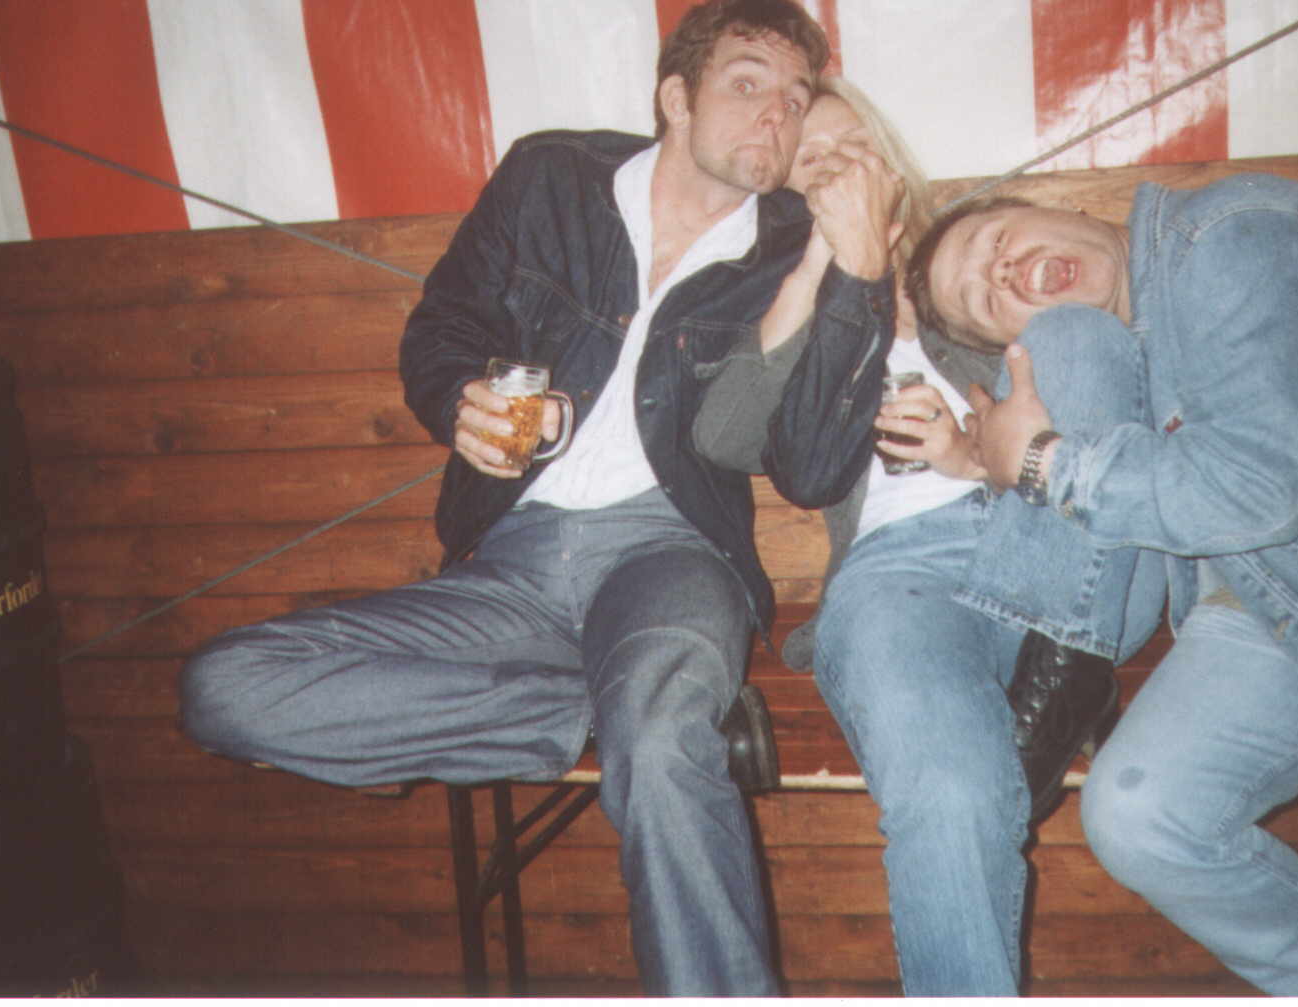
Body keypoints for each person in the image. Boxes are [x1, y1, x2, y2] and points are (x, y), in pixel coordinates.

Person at [175, 0, 904, 994]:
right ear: (675, 98)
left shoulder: (791, 245)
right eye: (747, 84)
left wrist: (858, 276)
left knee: (660, 739)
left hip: (669, 556)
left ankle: (643, 717)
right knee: (225, 686)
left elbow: (810, 471)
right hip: (513, 563)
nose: (776, 113)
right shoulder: (549, 178)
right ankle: (595, 705)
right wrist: (458, 400)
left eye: (793, 95)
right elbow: (442, 328)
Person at [694, 78, 1164, 994]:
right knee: (952, 790)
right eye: (808, 166)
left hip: (1066, 546)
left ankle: (1060, 670)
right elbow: (725, 433)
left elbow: (1105, 376)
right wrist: (827, 263)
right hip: (901, 577)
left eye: (849, 147)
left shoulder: (977, 261)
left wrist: (978, 451)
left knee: (1075, 338)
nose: (834, 169)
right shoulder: (805, 303)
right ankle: (1043, 723)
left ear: (887, 155)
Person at [908, 176, 1298, 995]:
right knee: (1139, 813)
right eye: (986, 299)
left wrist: (1044, 462)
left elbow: (1259, 486)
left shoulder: (1230, 233)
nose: (1000, 270)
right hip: (1293, 605)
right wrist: (992, 461)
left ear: (1063, 205)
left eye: (994, 240)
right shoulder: (1126, 355)